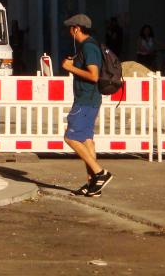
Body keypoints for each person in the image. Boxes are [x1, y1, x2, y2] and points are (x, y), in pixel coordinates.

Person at [61, 13, 113, 197]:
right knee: (86, 140)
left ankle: (100, 173)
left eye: (70, 28)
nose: (69, 32)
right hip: (90, 100)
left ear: (77, 28)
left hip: (86, 100)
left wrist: (70, 68)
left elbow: (93, 75)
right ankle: (93, 185)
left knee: (70, 137)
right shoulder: (90, 45)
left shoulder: (89, 47)